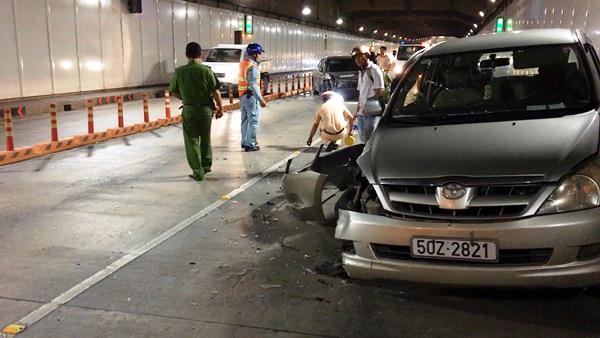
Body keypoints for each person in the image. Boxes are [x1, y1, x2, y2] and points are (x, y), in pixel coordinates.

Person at [169, 42, 223, 181]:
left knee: (191, 140)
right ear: (200, 54)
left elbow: (173, 91)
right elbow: (215, 91)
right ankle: (206, 166)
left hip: (189, 109)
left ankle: (197, 171)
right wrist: (220, 108)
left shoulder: (180, 71)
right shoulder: (206, 71)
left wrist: (185, 97)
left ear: (186, 54)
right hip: (205, 110)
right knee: (206, 138)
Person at [352, 45, 385, 143]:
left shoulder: (374, 70)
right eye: (355, 58)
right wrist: (357, 111)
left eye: (359, 57)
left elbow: (380, 91)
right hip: (361, 114)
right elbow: (361, 93)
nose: (357, 60)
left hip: (371, 114)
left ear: (366, 55)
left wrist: (368, 106)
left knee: (369, 141)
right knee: (363, 140)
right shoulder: (361, 72)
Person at [238, 43, 267, 151]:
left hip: (242, 96)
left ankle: (244, 142)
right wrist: (261, 100)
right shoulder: (252, 67)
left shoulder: (243, 64)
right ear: (255, 54)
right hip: (250, 96)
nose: (260, 56)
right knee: (253, 120)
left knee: (245, 120)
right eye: (259, 53)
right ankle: (251, 143)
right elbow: (253, 84)